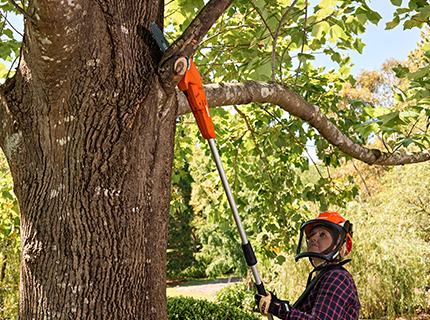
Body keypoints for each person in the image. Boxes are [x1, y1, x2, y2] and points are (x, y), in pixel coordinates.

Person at [255, 211, 361, 319]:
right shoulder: (321, 277)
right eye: (312, 234)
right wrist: (276, 303)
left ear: (339, 246)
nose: (313, 238)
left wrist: (277, 308)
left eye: (322, 234)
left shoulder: (337, 277)